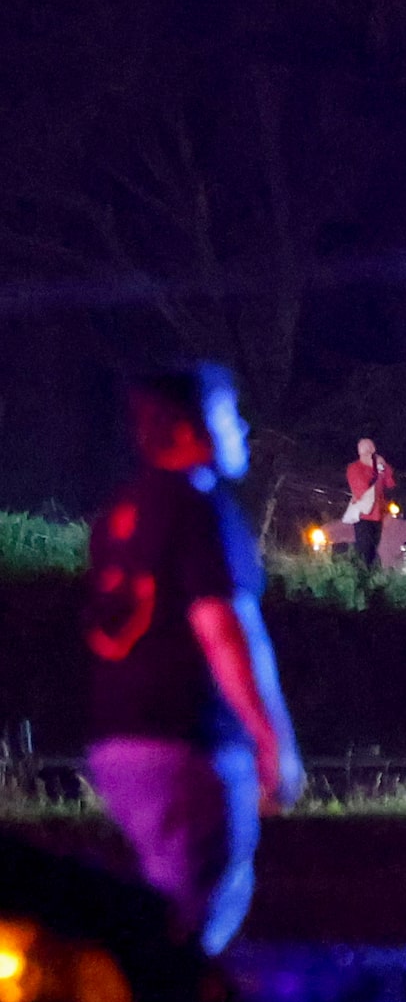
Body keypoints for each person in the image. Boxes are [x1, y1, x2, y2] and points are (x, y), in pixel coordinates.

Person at [82, 366, 303, 952]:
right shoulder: (201, 505)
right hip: (188, 747)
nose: (242, 428)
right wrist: (272, 740)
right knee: (196, 920)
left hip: (117, 743)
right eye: (229, 414)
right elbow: (225, 631)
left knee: (162, 902)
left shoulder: (119, 512)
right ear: (189, 429)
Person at [341, 437, 394, 569]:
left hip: (378, 515)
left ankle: (370, 578)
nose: (369, 454)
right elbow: (362, 489)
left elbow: (390, 483)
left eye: (371, 450)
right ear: (360, 452)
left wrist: (384, 468)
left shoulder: (379, 467)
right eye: (365, 451)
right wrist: (377, 474)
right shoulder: (354, 468)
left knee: (373, 549)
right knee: (363, 550)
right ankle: (361, 578)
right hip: (364, 515)